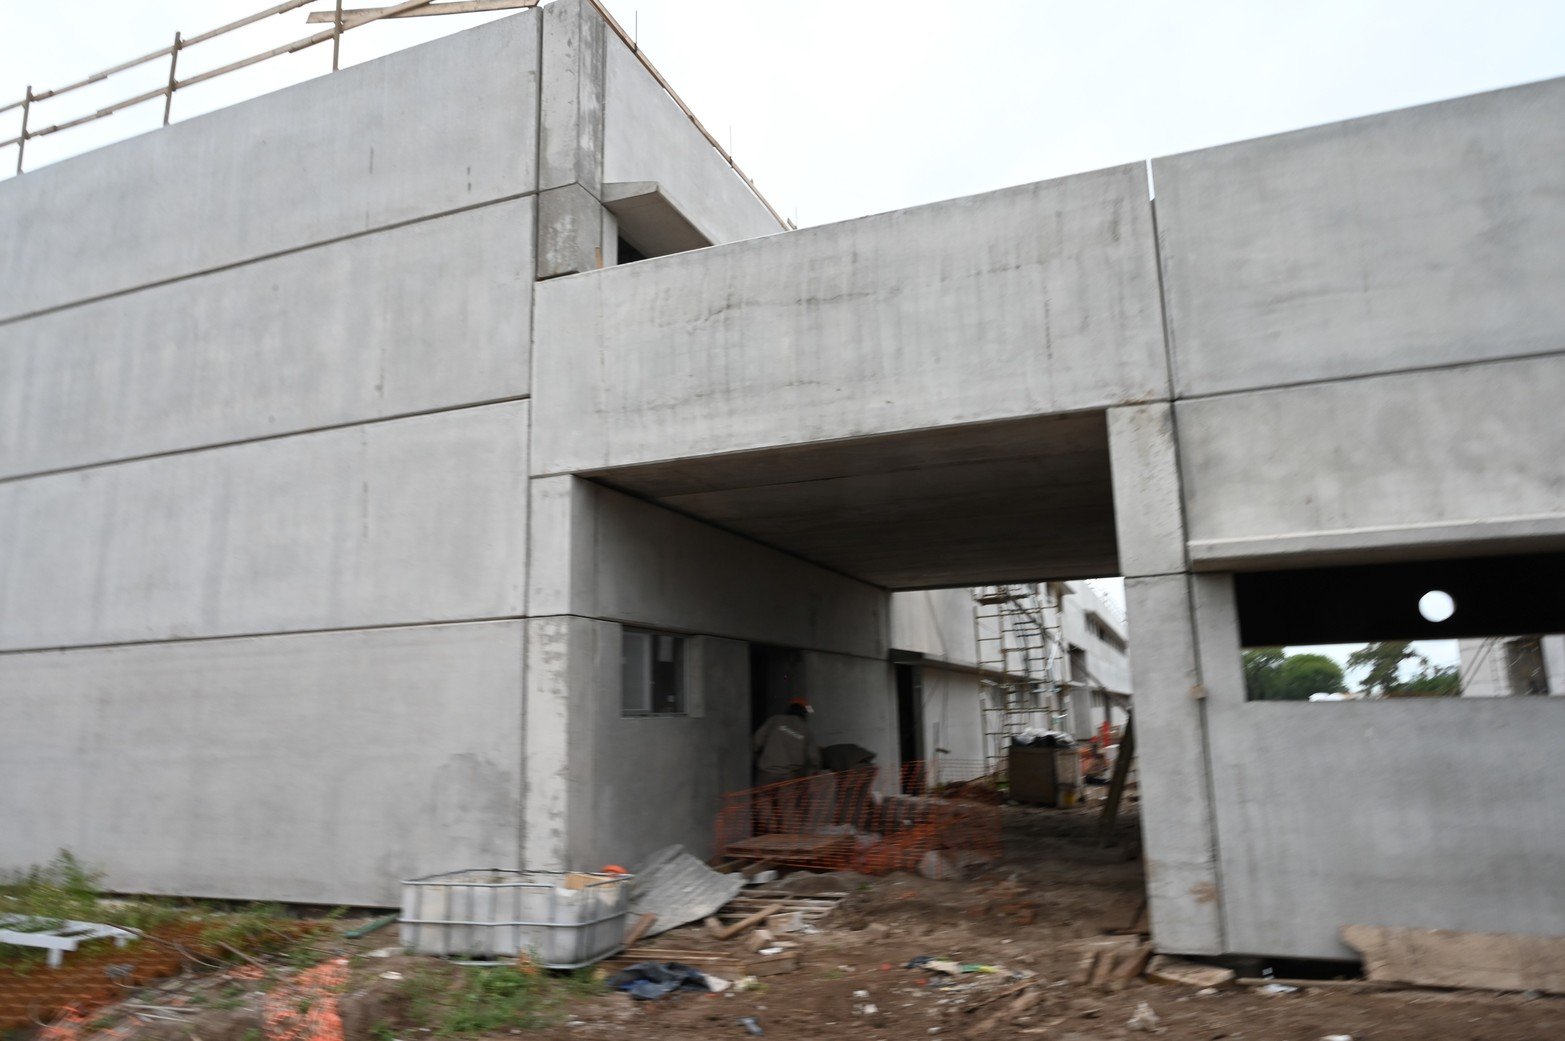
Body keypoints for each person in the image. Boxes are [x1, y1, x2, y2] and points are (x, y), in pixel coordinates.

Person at [752, 697, 821, 785]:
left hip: (767, 773)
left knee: (763, 794)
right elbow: (814, 757)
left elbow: (756, 740)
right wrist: (814, 770)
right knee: (789, 795)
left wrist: (756, 758)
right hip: (789, 777)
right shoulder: (805, 729)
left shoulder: (775, 719)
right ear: (803, 713)